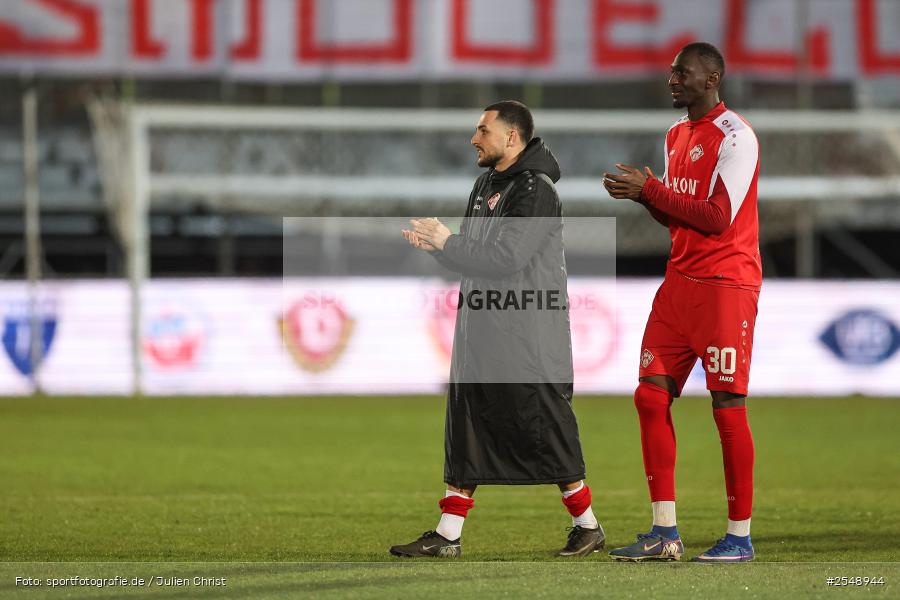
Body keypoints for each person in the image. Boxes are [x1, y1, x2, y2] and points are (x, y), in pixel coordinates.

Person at [390, 100, 604, 558]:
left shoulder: (536, 190)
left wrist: (449, 240)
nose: (474, 138)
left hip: (526, 332)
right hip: (482, 329)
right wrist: (439, 248)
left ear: (512, 137)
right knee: (467, 423)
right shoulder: (486, 183)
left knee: (542, 424)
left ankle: (587, 525)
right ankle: (448, 535)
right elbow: (477, 255)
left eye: (482, 130)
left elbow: (508, 259)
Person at [602, 42, 761, 563]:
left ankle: (739, 537)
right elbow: (679, 216)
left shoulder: (737, 136)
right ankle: (664, 532)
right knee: (650, 397)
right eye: (671, 71)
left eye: (683, 72)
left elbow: (717, 217)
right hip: (679, 283)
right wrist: (644, 194)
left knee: (726, 407)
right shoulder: (675, 134)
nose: (672, 78)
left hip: (724, 286)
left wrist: (650, 190)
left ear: (712, 76)